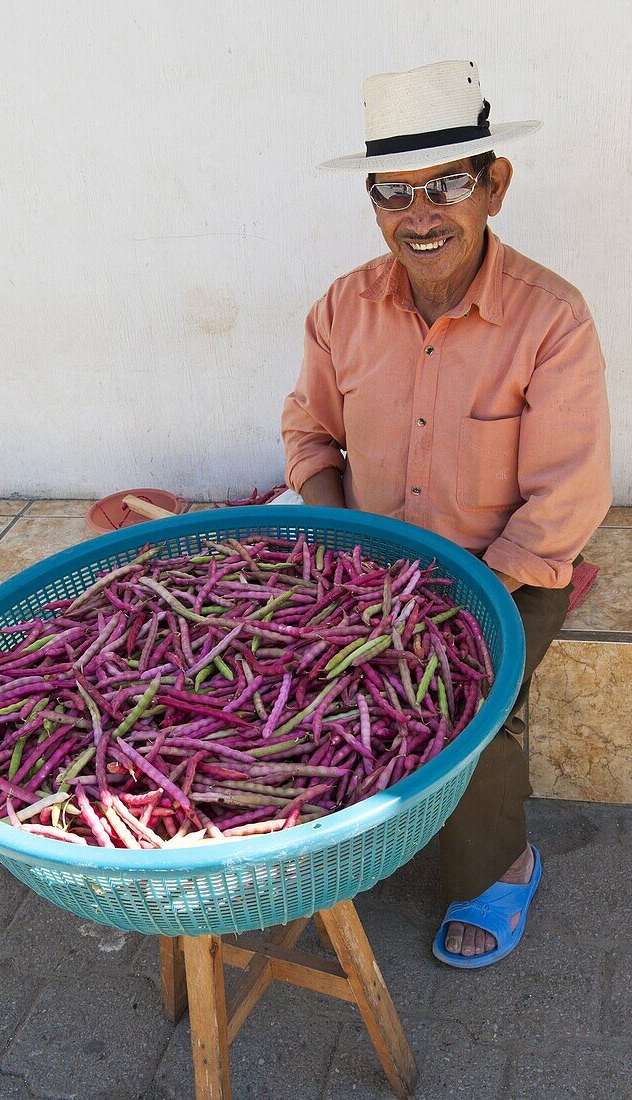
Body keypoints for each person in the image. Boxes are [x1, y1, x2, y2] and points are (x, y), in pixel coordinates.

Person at [281, 60, 612, 967]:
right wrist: (341, 539)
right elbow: (309, 431)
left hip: (507, 564)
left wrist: (462, 592)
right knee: (306, 676)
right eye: (395, 193)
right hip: (374, 558)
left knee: (461, 701)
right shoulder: (342, 309)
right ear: (373, 202)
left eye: (447, 186)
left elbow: (568, 497)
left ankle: (502, 868)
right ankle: (352, 832)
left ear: (494, 187)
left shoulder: (551, 319)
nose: (420, 217)